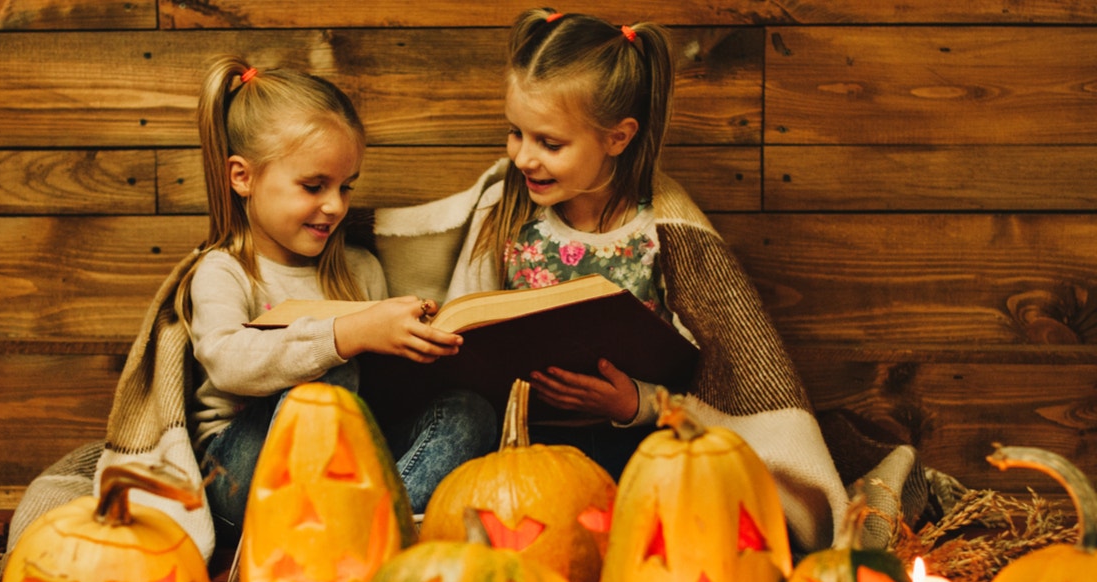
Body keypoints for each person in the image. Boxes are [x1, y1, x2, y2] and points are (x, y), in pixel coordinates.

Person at [445, 9, 850, 553]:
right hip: (522, 444)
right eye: (515, 133)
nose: (523, 157)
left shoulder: (661, 227)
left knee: (686, 526)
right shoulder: (507, 208)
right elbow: (463, 317)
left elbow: (723, 370)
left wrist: (634, 404)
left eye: (549, 143)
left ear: (618, 137)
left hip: (634, 441)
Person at [182, 55, 497, 540]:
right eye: (314, 186)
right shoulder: (225, 271)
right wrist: (348, 334)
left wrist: (417, 346)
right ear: (242, 176)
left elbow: (380, 400)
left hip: (350, 464)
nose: (334, 206)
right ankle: (347, 533)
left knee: (468, 410)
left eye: (345, 187)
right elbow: (228, 363)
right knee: (326, 377)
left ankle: (366, 532)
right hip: (239, 469)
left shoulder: (360, 270)